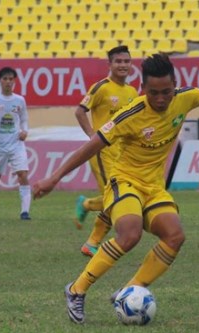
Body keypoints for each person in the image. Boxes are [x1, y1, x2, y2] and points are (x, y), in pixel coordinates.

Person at [33, 54, 199, 324]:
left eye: (166, 92)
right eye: (153, 93)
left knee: (175, 236)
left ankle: (130, 288)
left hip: (154, 189)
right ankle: (77, 289)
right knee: (129, 234)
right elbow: (90, 147)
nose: (160, 99)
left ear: (175, 86)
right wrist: (54, 177)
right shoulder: (129, 114)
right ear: (143, 89)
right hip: (125, 182)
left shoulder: (185, 97)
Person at [73, 45, 138, 257]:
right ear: (109, 65)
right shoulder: (100, 87)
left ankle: (87, 204)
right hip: (103, 152)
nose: (123, 65)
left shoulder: (132, 92)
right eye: (118, 62)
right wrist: (93, 136)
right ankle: (92, 243)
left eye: (126, 61)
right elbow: (80, 111)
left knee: (119, 195)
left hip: (123, 152)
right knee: (115, 197)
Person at [0, 66, 31, 221]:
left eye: (11, 79)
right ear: (0, 80)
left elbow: (24, 119)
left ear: (14, 81)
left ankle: (25, 212)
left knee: (23, 174)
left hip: (16, 144)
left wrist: (25, 131)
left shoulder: (20, 100)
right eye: (5, 79)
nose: (8, 82)